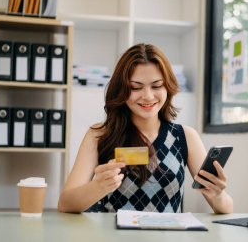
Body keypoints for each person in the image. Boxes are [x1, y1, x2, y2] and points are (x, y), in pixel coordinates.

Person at [58, 43, 233, 214]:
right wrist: (97, 187)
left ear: (168, 87)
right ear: (121, 89)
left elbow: (226, 208)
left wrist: (218, 195)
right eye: (135, 87)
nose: (148, 96)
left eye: (156, 86)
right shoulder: (99, 134)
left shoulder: (185, 136)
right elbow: (65, 203)